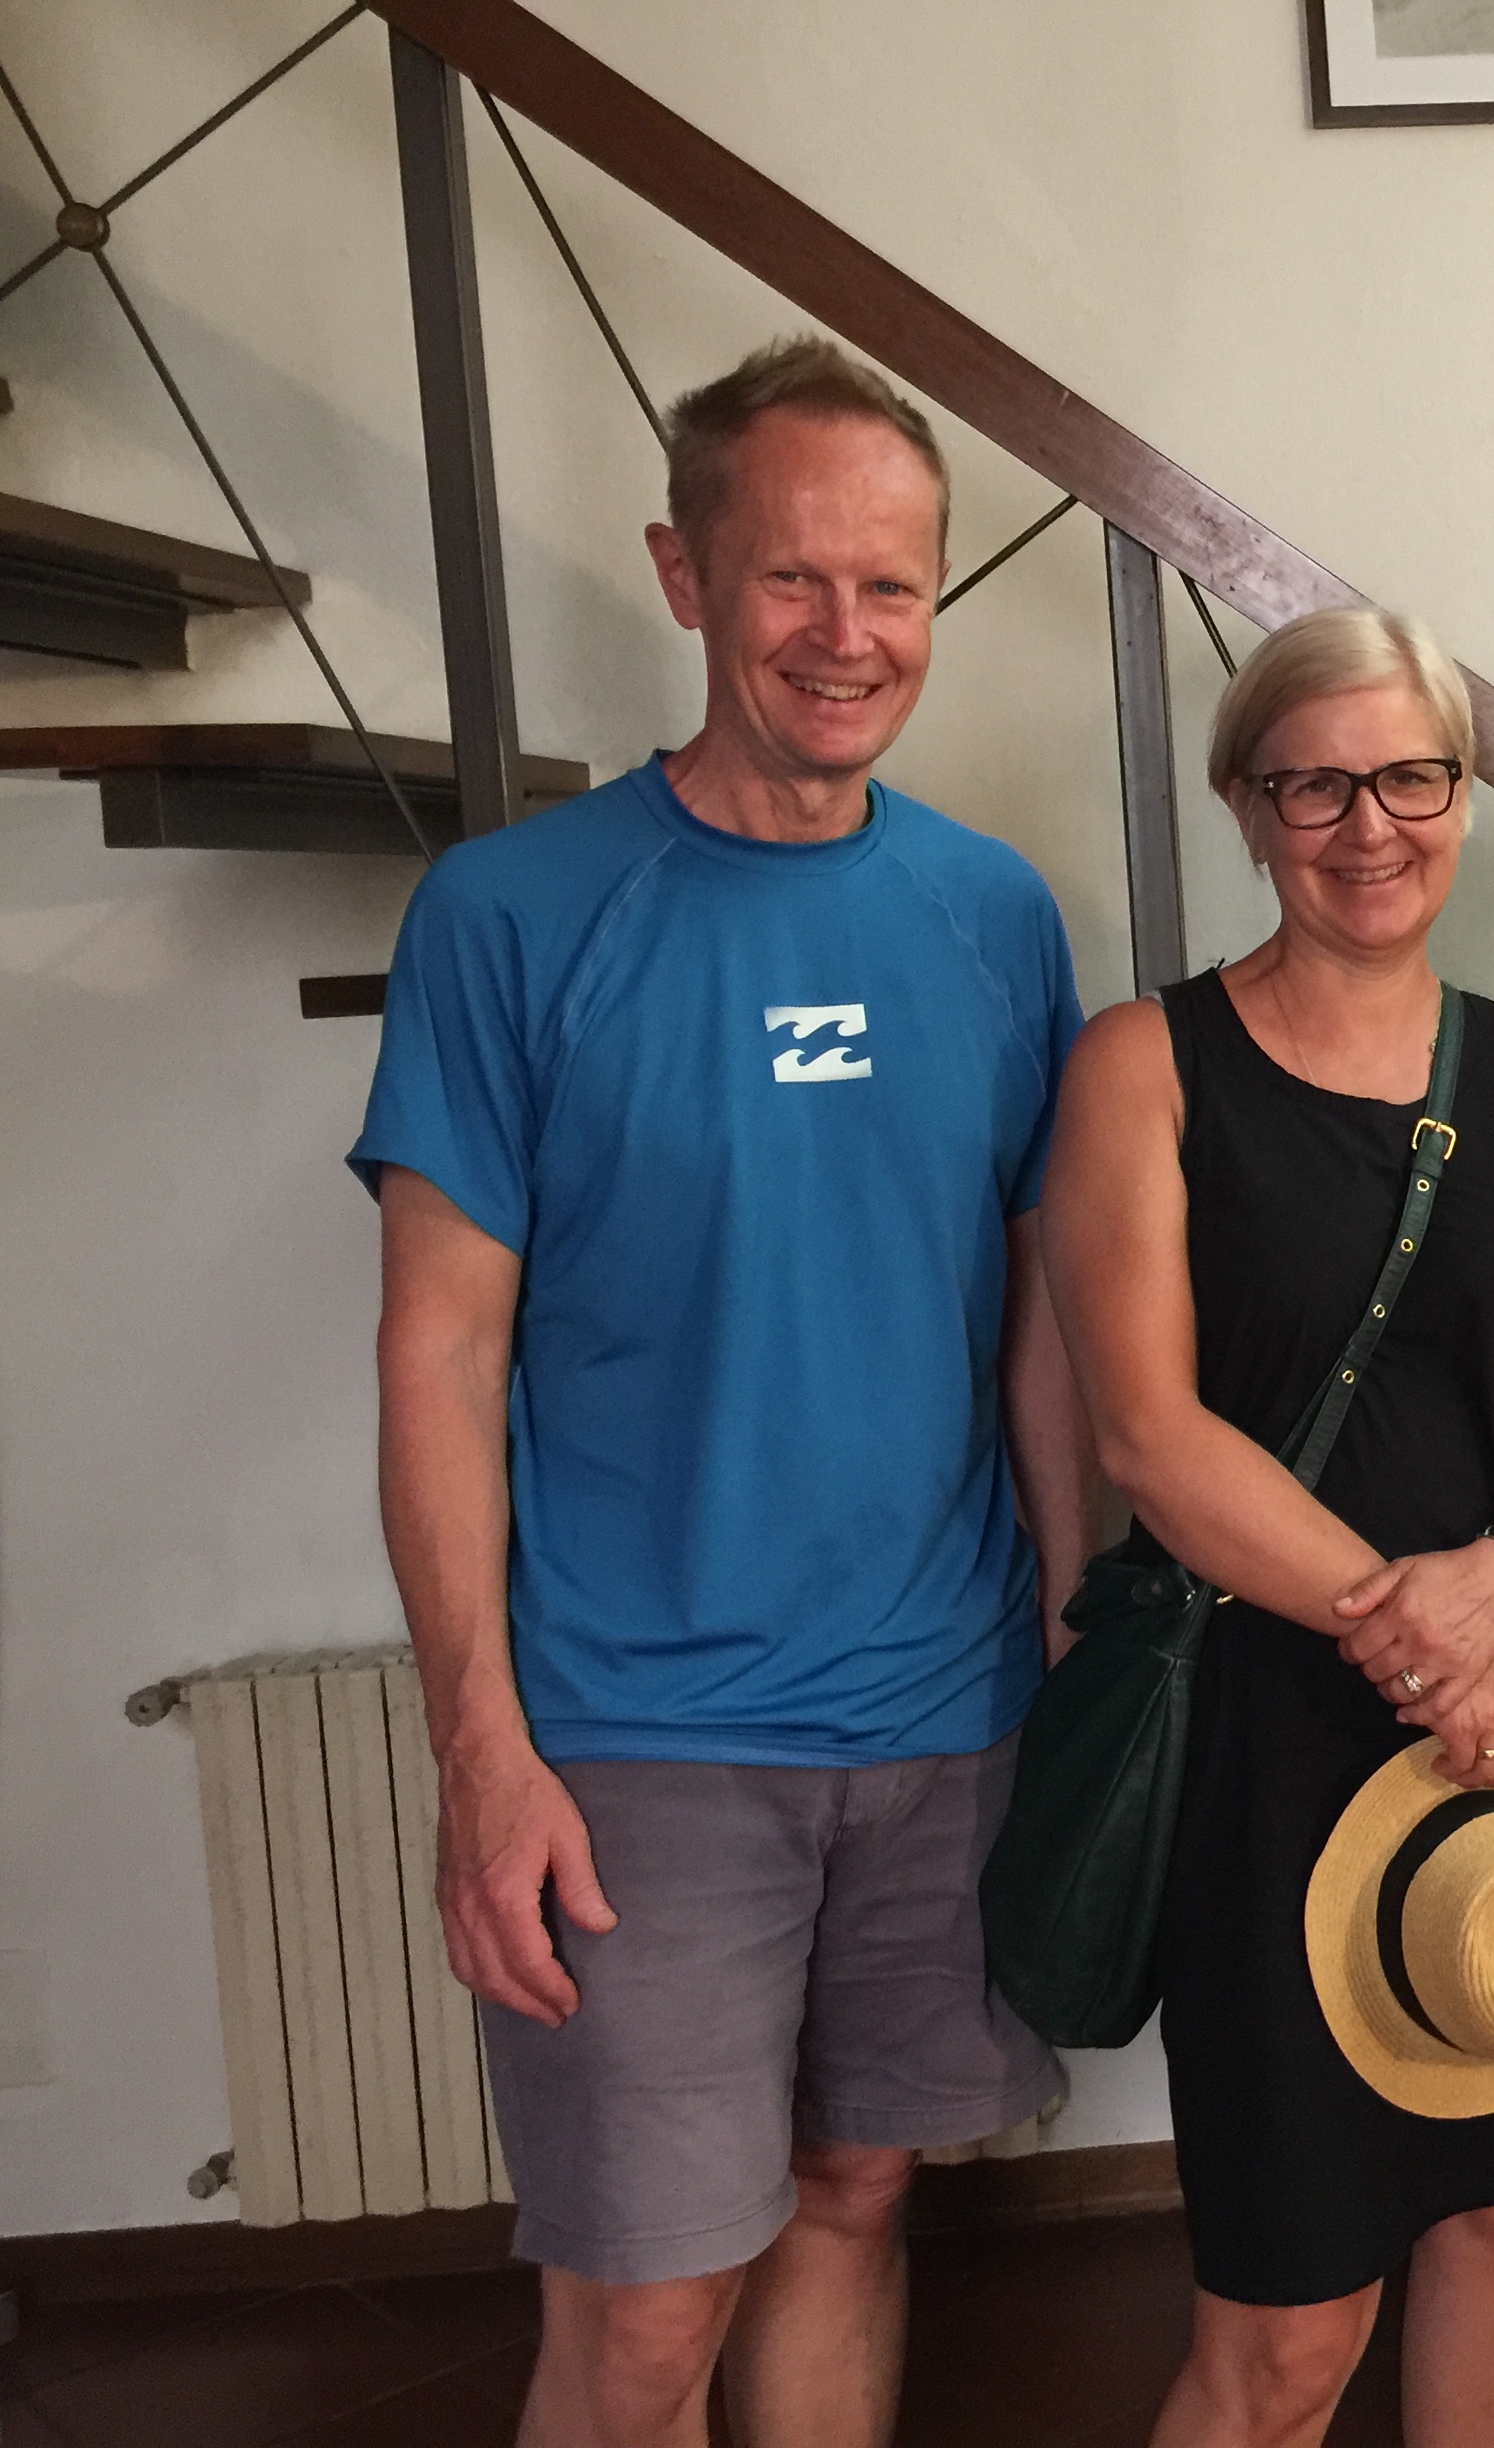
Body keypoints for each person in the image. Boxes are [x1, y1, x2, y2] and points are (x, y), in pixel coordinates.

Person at [356, 335, 1086, 2448]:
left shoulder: (993, 913)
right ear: (686, 576)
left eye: (892, 586)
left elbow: (1033, 1319)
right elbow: (435, 1350)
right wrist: (479, 1748)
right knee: (648, 2313)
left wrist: (1067, 1635)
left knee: (856, 2197)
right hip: (636, 1740)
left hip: (941, 1712)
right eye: (793, 578)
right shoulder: (511, 914)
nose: (847, 634)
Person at [1045, 607, 1494, 2448]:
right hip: (1281, 1730)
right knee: (1287, 2325)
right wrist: (1420, 1642)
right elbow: (1150, 1433)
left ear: (1462, 797)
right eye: (1314, 785)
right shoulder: (1143, 1067)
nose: (1368, 824)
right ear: (1248, 807)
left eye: (1411, 777)